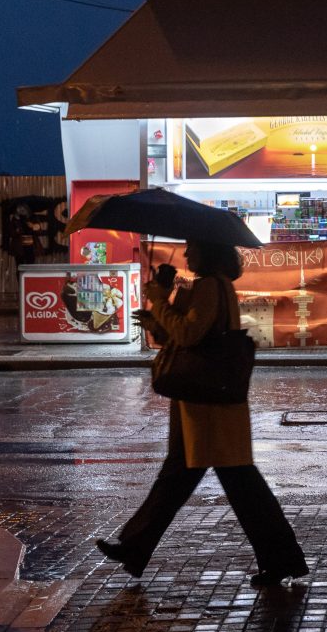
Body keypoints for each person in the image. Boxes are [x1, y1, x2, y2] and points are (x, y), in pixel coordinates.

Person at [96, 241, 307, 587]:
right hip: (197, 402)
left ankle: (282, 559)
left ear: (209, 253)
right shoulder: (208, 286)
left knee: (239, 487)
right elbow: (178, 333)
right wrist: (157, 311)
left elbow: (190, 334)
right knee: (182, 478)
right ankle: (134, 546)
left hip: (208, 405)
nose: (187, 256)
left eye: (193, 249)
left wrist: (161, 301)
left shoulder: (210, 286)